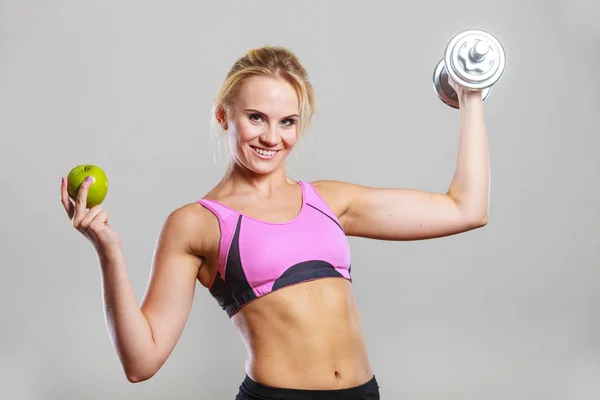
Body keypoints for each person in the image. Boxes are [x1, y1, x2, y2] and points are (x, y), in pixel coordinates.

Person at [60, 45, 490, 400]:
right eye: (256, 118)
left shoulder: (330, 200)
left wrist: (470, 95)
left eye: (287, 122)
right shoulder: (196, 223)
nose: (271, 138)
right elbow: (141, 362)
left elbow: (465, 209)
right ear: (223, 116)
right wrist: (108, 251)